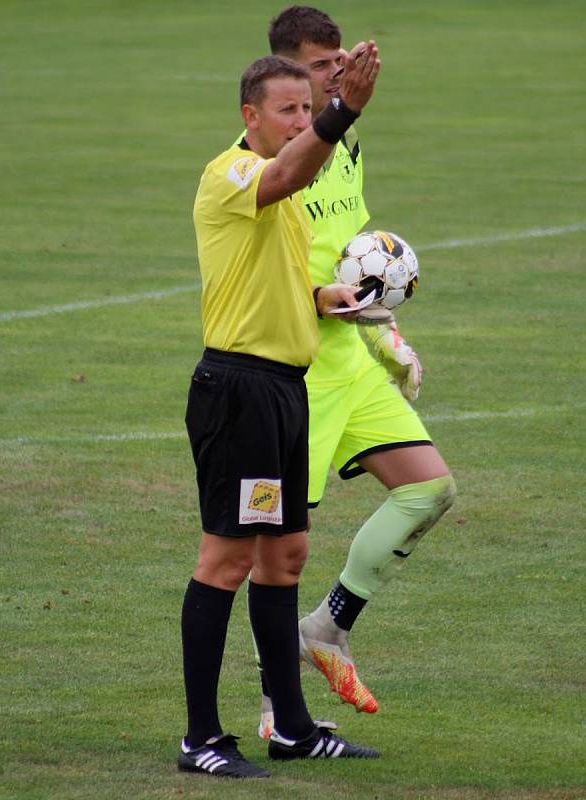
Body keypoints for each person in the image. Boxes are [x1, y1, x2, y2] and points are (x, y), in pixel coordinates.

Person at [179, 49, 382, 779]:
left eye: (308, 109)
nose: (301, 122)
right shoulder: (231, 174)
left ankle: (291, 729)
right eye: (289, 111)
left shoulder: (285, 192)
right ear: (250, 117)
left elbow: (276, 280)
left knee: (284, 554)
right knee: (228, 559)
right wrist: (343, 110)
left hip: (281, 395)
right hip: (238, 396)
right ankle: (200, 738)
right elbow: (291, 171)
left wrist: (323, 298)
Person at [256, 6, 457, 737]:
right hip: (293, 371)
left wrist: (385, 336)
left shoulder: (345, 145)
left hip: (348, 361)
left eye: (341, 62)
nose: (337, 75)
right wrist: (319, 302)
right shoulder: (269, 161)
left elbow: (353, 250)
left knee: (429, 487)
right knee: (282, 553)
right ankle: (279, 715)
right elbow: (256, 275)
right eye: (321, 65)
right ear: (284, 70)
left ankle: (329, 628)